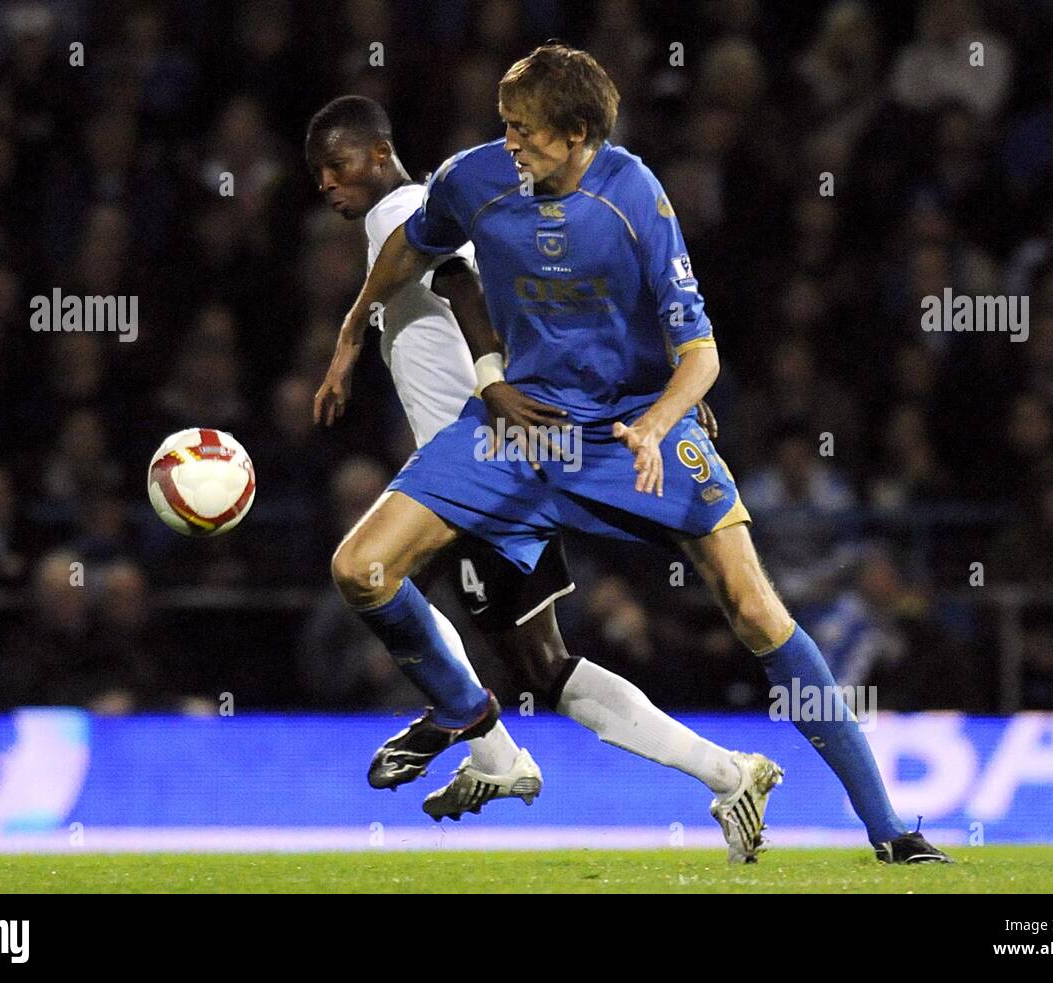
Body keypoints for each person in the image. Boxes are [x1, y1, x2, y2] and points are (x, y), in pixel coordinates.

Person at [316, 47, 954, 864]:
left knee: (757, 611)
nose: (511, 145)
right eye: (506, 126)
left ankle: (890, 830)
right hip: (521, 433)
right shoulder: (473, 179)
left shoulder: (636, 197)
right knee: (360, 567)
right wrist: (347, 333)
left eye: (528, 133)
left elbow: (702, 355)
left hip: (627, 430)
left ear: (579, 134)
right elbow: (413, 248)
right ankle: (467, 716)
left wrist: (657, 425)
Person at [308, 95, 777, 860]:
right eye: (317, 173)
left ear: (379, 151)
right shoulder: (404, 210)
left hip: (483, 461)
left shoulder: (399, 206)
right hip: (481, 465)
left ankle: (471, 725)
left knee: (370, 570)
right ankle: (706, 771)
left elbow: (461, 281)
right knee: (542, 664)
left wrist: (487, 381)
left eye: (338, 163)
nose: (326, 181)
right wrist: (354, 333)